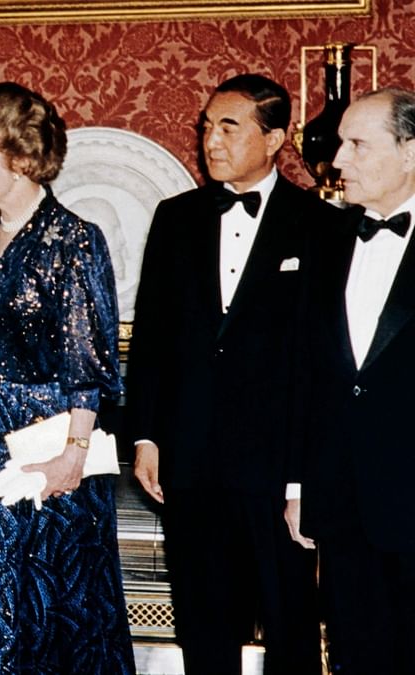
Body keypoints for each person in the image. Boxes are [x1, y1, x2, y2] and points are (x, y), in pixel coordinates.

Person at [124, 74, 327, 675]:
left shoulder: (320, 224)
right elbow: (153, 338)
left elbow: (321, 362)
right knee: (203, 623)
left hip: (276, 470)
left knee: (290, 622)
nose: (210, 140)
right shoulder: (174, 217)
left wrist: (302, 477)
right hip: (190, 462)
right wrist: (146, 436)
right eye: (207, 126)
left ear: (274, 139)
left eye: (228, 127)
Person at [0, 82, 132, 672]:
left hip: (45, 443)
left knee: (45, 601)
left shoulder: (74, 240)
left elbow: (89, 367)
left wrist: (73, 455)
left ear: (19, 160)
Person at [286, 87, 415, 674]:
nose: (339, 160)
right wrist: (297, 486)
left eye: (358, 144)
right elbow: (304, 374)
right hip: (342, 502)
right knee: (356, 656)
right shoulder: (325, 239)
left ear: (410, 151)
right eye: (340, 143)